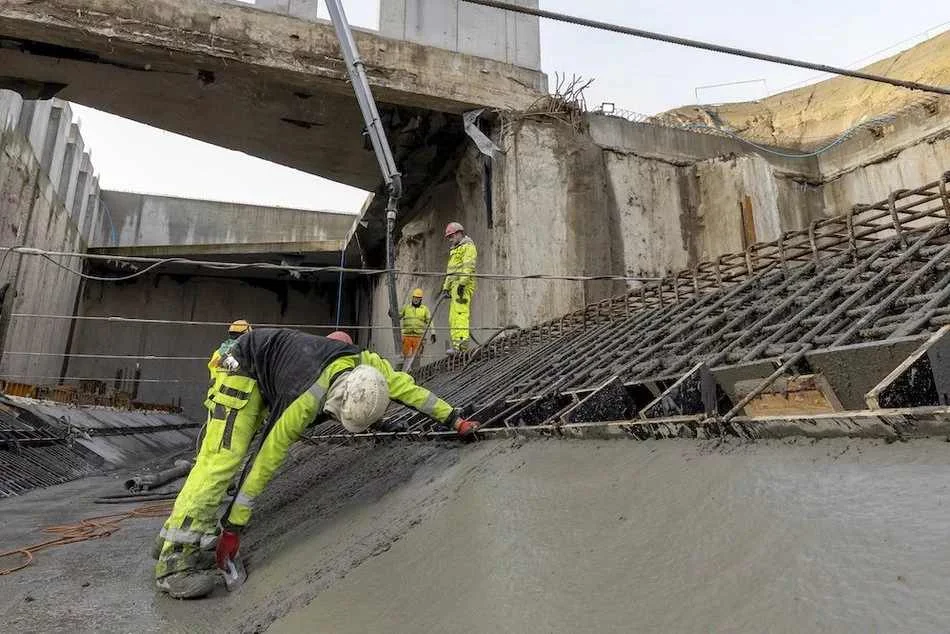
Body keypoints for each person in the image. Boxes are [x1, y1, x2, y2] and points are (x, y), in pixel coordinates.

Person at [154, 328, 479, 599]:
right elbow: (263, 465)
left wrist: (454, 420)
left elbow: (411, 391)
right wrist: (234, 528)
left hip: (262, 372)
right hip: (241, 370)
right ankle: (174, 562)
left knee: (216, 460)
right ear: (337, 405)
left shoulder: (368, 365)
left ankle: (171, 536)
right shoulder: (304, 401)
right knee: (223, 461)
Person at [441, 222, 477, 352]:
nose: (450, 239)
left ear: (459, 233)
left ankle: (462, 345)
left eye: (451, 236)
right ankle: (457, 345)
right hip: (455, 287)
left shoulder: (468, 247)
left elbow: (468, 267)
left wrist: (462, 284)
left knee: (461, 313)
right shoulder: (455, 250)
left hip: (464, 286)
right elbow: (451, 271)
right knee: (453, 317)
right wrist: (446, 287)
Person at [399, 288, 431, 362]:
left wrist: (433, 333)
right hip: (407, 336)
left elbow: (430, 321)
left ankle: (416, 371)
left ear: (421, 299)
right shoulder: (406, 308)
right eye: (415, 298)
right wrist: (392, 314)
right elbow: (399, 316)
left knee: (416, 358)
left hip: (418, 337)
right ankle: (404, 370)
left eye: (418, 298)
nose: (416, 300)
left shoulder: (425, 309)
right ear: (412, 298)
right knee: (405, 356)